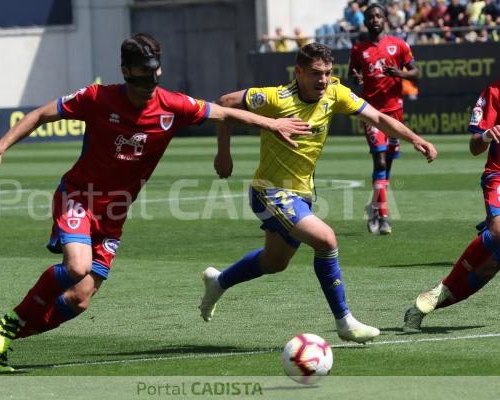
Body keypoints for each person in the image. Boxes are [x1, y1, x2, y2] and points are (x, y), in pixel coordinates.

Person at [0, 33, 312, 373]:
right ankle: (7, 326)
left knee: (80, 299)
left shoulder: (173, 105)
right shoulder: (97, 98)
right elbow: (39, 114)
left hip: (113, 216)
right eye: (143, 72)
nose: (152, 79)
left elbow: (225, 113)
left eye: (155, 70)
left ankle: (0, 339)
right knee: (77, 266)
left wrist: (272, 123)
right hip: (78, 198)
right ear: (126, 70)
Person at [200, 43, 437, 344]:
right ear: (298, 72)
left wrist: (416, 139)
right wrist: (224, 154)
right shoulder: (276, 98)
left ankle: (219, 282)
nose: (323, 80)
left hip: (302, 194)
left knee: (274, 262)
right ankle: (345, 321)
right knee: (326, 240)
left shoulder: (335, 94)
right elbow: (225, 103)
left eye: (327, 73)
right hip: (269, 192)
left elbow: (378, 118)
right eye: (315, 73)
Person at [403, 81, 500, 333]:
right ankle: (439, 292)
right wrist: (488, 135)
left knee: (490, 266)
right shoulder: (494, 92)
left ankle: (422, 308)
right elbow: (474, 147)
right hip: (499, 175)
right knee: (499, 231)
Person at [349, 3, 419, 235]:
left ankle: (375, 208)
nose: (375, 19)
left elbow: (416, 72)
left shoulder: (398, 45)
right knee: (379, 161)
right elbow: (352, 73)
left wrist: (401, 74)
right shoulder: (359, 49)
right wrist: (357, 78)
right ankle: (384, 217)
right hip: (371, 111)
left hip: (395, 111)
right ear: (365, 21)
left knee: (386, 166)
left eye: (379, 16)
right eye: (371, 16)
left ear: (385, 20)